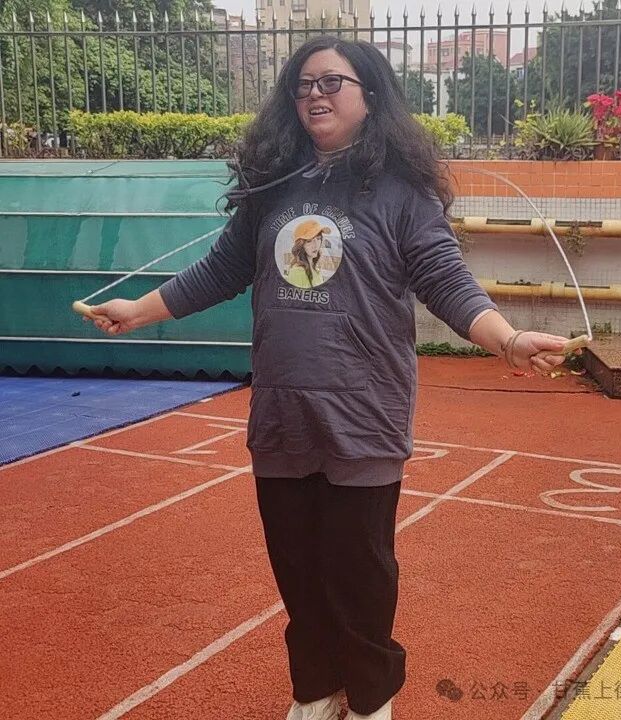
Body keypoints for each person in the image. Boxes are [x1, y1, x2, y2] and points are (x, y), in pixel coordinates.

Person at [86, 35, 570, 720]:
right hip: (283, 411)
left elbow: (446, 280)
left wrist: (508, 340)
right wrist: (139, 310)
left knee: (360, 574)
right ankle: (314, 690)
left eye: (332, 82)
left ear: (369, 94)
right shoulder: (272, 187)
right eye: (304, 84)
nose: (315, 94)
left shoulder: (400, 192)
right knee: (299, 571)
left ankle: (370, 696)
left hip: (363, 414)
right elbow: (222, 270)